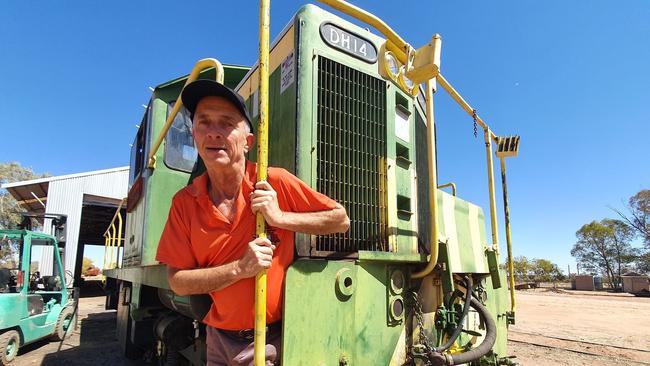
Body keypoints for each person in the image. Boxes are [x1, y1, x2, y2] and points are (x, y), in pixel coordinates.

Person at [155, 79, 350, 366]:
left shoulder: (273, 181)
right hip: (218, 341)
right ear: (194, 135)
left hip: (271, 341)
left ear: (248, 143)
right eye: (204, 122)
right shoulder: (184, 202)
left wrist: (280, 217)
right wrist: (239, 269)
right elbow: (177, 282)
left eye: (226, 123)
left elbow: (341, 219)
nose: (213, 133)